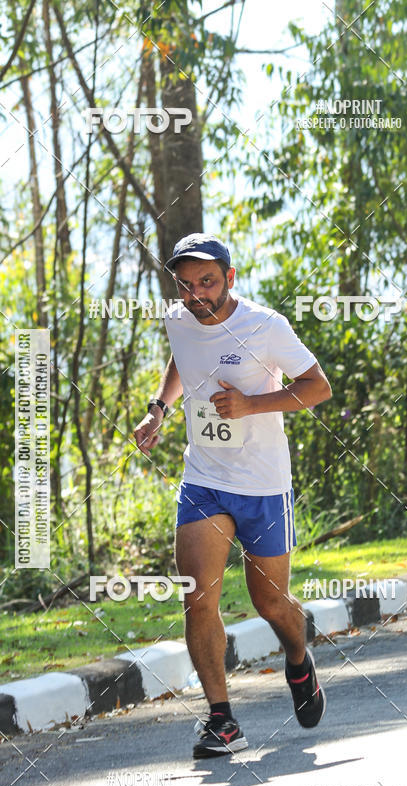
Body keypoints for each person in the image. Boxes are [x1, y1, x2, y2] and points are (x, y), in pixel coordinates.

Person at [134, 233, 332, 759]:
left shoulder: (266, 326)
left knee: (270, 601)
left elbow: (317, 386)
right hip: (204, 480)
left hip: (264, 484)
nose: (197, 294)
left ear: (230, 278)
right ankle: (222, 721)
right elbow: (183, 360)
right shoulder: (177, 318)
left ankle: (297, 658)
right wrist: (159, 409)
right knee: (198, 598)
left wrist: (251, 405)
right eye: (186, 284)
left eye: (207, 281)